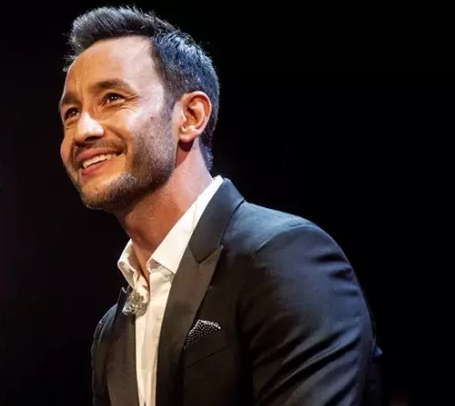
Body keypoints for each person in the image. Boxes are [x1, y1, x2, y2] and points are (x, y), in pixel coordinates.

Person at [57, 6, 382, 406]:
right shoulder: (112, 333)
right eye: (71, 113)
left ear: (191, 116)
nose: (83, 130)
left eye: (112, 98)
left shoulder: (283, 258)